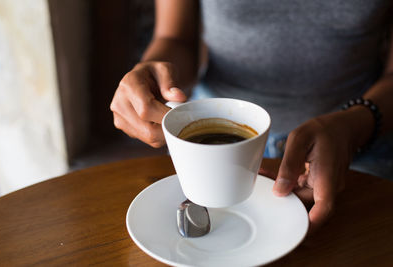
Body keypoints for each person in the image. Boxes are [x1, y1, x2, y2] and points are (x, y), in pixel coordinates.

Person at [110, 0, 393, 233]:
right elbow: (175, 38)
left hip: (356, 138)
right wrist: (150, 75)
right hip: (203, 145)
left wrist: (352, 126)